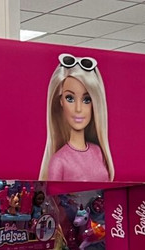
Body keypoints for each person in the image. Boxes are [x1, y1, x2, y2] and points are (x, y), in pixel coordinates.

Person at [38, 54, 113, 182]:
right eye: (70, 98)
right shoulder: (59, 161)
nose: (78, 109)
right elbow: (52, 195)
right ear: (61, 101)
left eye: (87, 100)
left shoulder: (98, 152)